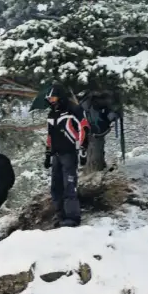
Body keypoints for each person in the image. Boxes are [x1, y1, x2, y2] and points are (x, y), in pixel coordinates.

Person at [43, 81, 90, 227]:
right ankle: (60, 216)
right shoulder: (52, 113)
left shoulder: (73, 109)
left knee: (69, 185)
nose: (51, 101)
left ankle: (72, 217)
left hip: (69, 153)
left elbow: (84, 128)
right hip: (56, 155)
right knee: (56, 188)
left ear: (60, 97)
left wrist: (82, 150)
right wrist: (47, 153)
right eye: (49, 99)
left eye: (53, 98)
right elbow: (50, 135)